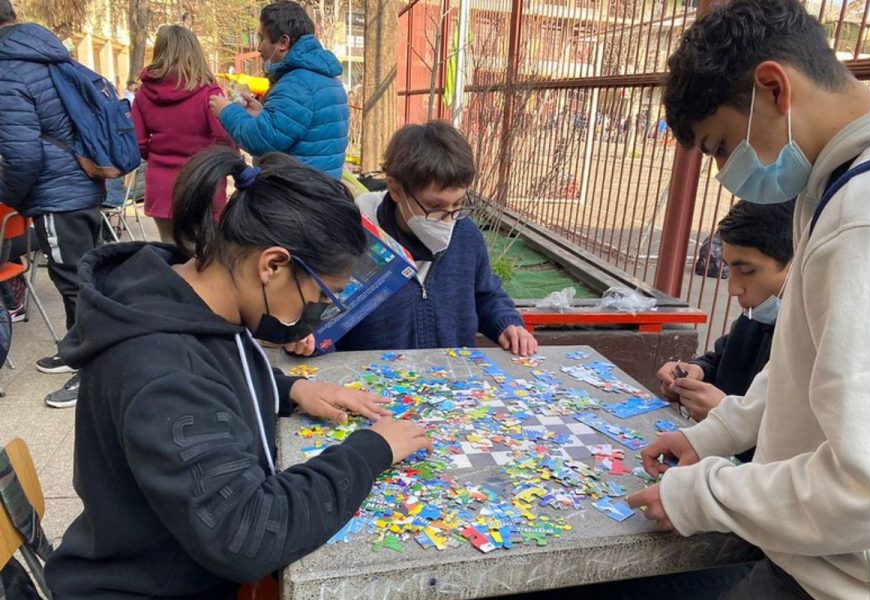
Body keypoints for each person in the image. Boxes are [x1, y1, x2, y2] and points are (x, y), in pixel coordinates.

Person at [43, 147, 433, 599]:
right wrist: (369, 452)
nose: (321, 310)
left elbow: (215, 383)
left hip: (170, 564)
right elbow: (247, 534)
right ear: (272, 265)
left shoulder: (191, 297)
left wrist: (289, 390)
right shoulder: (163, 373)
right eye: (324, 294)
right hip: (145, 587)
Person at [627, 0, 870, 598]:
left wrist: (704, 493)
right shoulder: (842, 182)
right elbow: (805, 367)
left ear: (774, 88)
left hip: (841, 581)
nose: (726, 171)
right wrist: (711, 436)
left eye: (722, 146)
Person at [336, 121, 538, 356]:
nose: (448, 220)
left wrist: (507, 323)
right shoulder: (354, 243)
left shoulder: (466, 236)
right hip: (374, 382)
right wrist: (308, 339)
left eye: (458, 204)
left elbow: (486, 294)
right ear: (396, 190)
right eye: (436, 206)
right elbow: (329, 322)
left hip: (452, 381)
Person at [0, 0, 105, 407]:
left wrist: (8, 196)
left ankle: (92, 374)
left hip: (57, 193)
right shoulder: (44, 52)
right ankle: (75, 348)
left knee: (75, 283)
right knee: (80, 277)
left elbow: (24, 156)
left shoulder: (8, 69)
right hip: (82, 183)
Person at [657, 199, 794, 425]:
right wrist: (697, 372)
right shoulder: (755, 318)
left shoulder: (820, 344)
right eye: (730, 270)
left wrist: (733, 419)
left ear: (796, 263)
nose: (733, 289)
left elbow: (808, 445)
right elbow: (723, 362)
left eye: (747, 271)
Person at [209, 0, 349, 179]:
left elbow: (262, 140)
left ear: (283, 42)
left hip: (296, 195)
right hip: (319, 191)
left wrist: (226, 111)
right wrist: (262, 113)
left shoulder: (297, 84)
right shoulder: (324, 77)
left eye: (262, 39)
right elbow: (297, 129)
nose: (259, 48)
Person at [132, 24, 235, 243]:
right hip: (202, 184)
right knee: (204, 260)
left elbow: (139, 143)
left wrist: (160, 155)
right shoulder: (209, 93)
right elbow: (225, 140)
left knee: (172, 257)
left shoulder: (143, 94)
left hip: (161, 187)